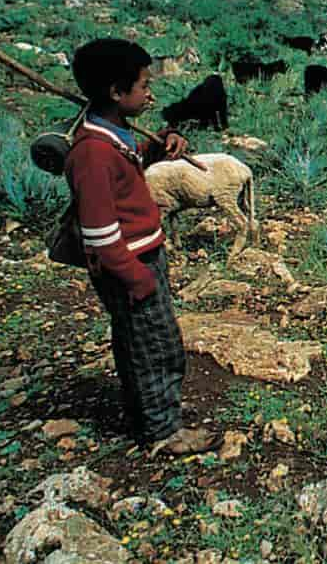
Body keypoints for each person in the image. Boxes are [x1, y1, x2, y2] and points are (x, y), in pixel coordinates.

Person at [65, 38, 216, 456]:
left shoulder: (114, 133)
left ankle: (146, 415)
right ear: (116, 92)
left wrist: (159, 144)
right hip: (129, 264)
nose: (151, 93)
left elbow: (128, 167)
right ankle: (163, 432)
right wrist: (137, 280)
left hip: (142, 255)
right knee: (156, 346)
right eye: (144, 86)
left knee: (141, 340)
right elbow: (99, 233)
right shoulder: (91, 153)